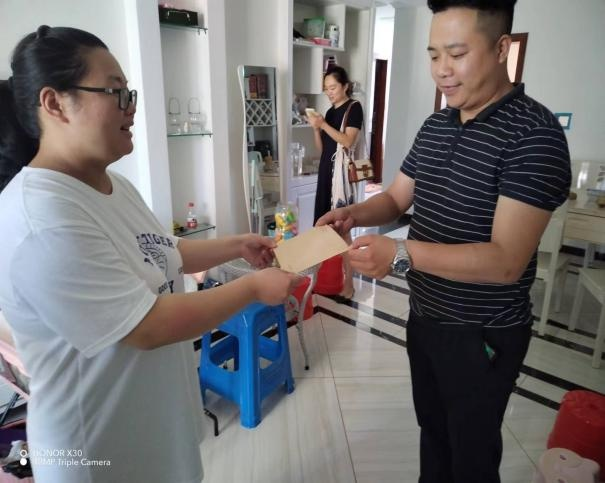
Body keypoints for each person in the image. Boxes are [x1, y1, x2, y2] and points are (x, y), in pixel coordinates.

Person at [0, 26, 300, 483]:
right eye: (115, 92)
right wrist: (253, 287)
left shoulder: (114, 185)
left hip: (152, 423)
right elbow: (146, 326)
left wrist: (237, 245)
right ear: (54, 103)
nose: (132, 107)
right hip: (96, 448)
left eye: (130, 93)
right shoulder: (41, 217)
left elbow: (164, 251)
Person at [318, 1, 571, 482]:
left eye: (456, 54)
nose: (441, 70)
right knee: (433, 435)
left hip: (482, 332)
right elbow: (396, 198)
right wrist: (354, 214)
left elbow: (505, 262)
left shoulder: (534, 134)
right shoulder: (436, 125)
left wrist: (401, 254)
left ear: (501, 48)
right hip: (426, 317)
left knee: (471, 455)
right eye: (434, 55)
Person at [307, 65, 363, 300]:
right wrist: (316, 129)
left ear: (345, 86)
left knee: (343, 231)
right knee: (322, 229)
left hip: (340, 180)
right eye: (326, 89)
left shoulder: (354, 108)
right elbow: (323, 149)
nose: (329, 92)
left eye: (333, 87)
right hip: (325, 175)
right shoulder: (329, 113)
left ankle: (349, 283)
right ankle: (323, 281)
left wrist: (323, 125)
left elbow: (347, 141)